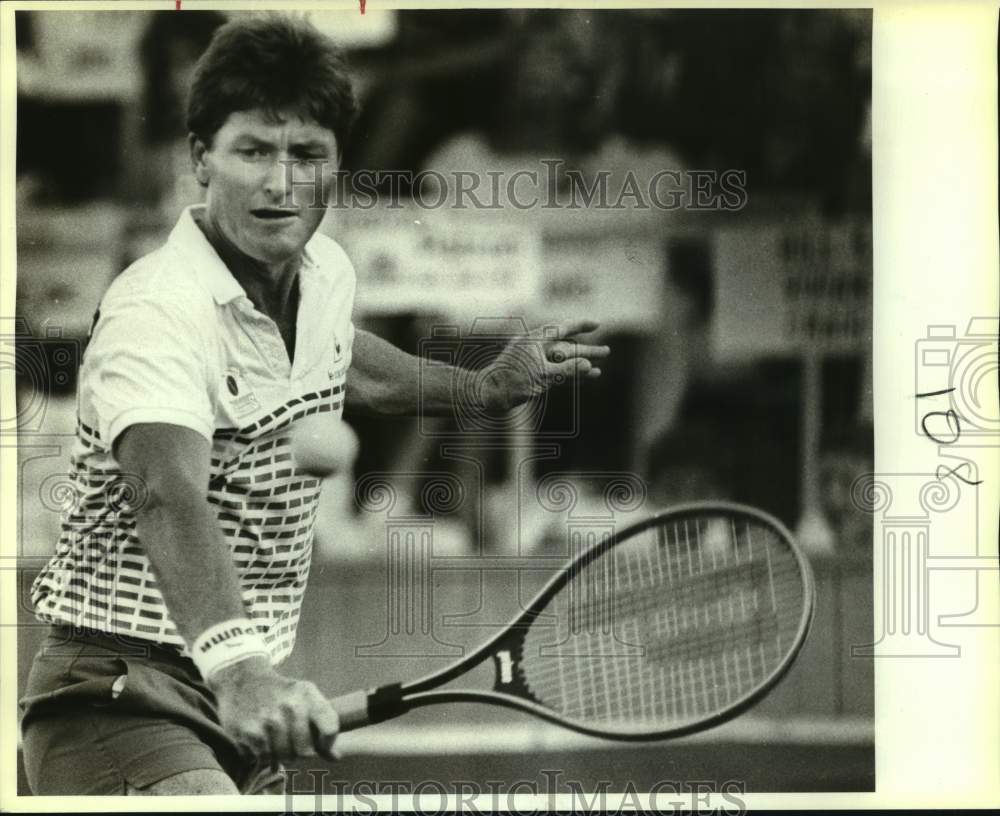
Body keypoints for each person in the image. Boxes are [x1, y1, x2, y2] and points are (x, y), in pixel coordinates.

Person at [19, 15, 610, 796]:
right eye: (254, 151)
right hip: (114, 692)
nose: (281, 182)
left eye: (307, 154)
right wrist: (240, 670)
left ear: (337, 166)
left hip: (228, 690)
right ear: (201, 159)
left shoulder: (323, 273)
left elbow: (341, 357)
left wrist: (477, 387)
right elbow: (165, 491)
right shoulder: (156, 310)